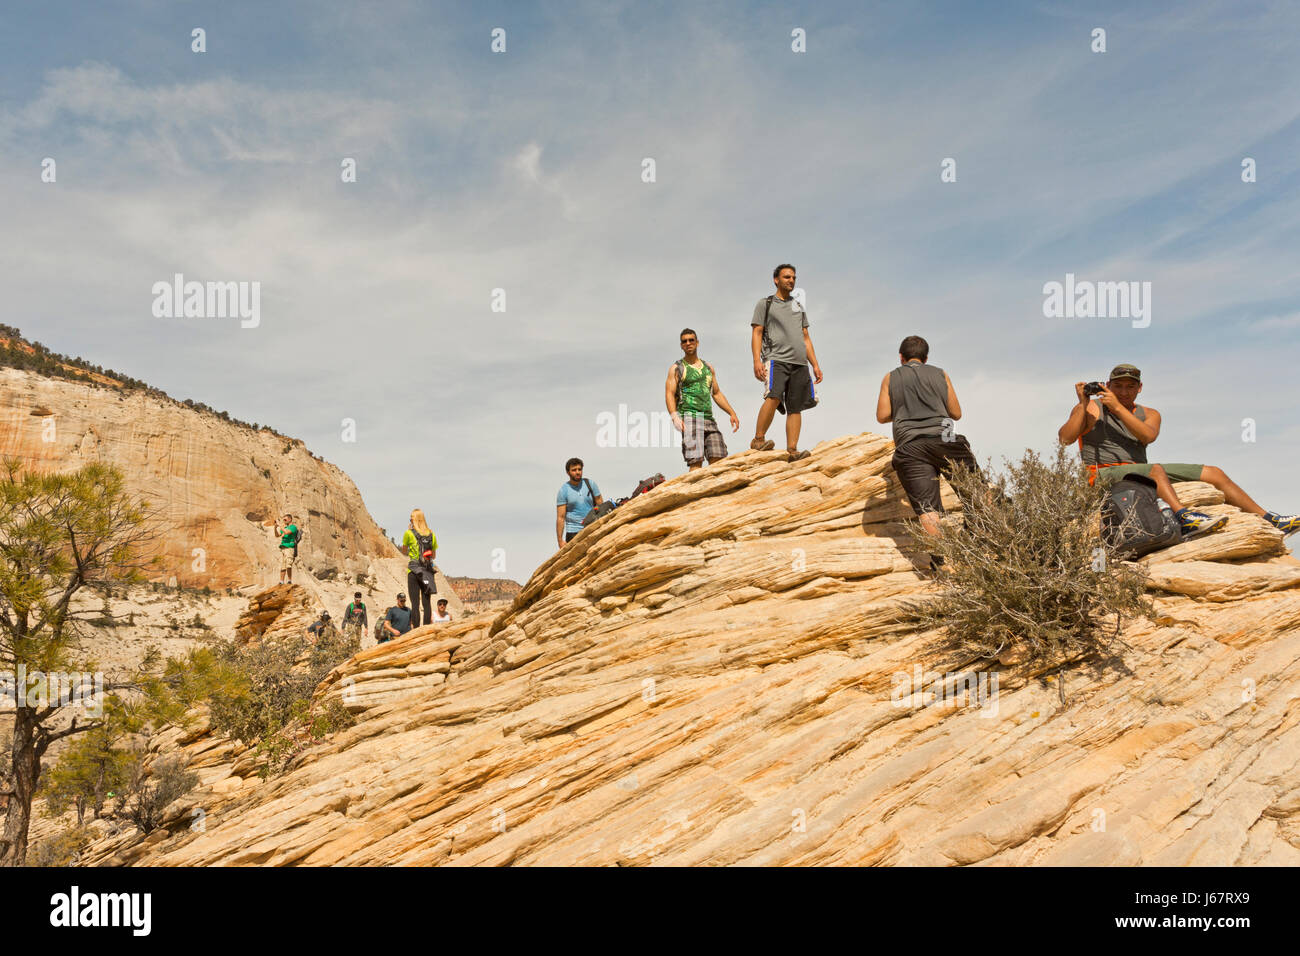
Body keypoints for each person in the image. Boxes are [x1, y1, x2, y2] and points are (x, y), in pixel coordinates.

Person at [1057, 364, 1299, 536]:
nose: (1123, 392)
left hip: (1138, 470)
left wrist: (1119, 409)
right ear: (1107, 385)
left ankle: (1270, 519)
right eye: (1118, 386)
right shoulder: (1091, 408)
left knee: (1214, 472)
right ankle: (1184, 518)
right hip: (1099, 474)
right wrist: (1083, 404)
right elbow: (1065, 439)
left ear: (1139, 388)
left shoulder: (1150, 413)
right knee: (1155, 471)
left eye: (1130, 386)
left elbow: (1148, 436)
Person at [876, 336, 982, 559]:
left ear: (901, 357)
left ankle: (942, 561)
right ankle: (977, 540)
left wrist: (905, 408)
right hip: (945, 438)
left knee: (927, 509)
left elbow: (883, 415)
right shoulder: (940, 373)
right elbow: (956, 413)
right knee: (975, 492)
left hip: (911, 444)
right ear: (926, 358)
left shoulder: (890, 377)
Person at [751, 264, 823, 462]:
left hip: (799, 362)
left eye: (793, 278)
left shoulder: (798, 306)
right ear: (776, 280)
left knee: (795, 406)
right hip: (776, 359)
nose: (791, 280)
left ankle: (793, 451)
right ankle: (758, 439)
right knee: (773, 396)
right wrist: (757, 360)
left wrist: (815, 365)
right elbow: (757, 333)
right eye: (786, 277)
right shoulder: (765, 304)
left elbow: (806, 337)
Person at [666, 328, 740, 471]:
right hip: (690, 418)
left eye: (691, 340)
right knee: (696, 462)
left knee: (718, 460)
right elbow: (669, 393)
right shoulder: (677, 368)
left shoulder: (708, 368)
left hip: (709, 419)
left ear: (697, 343)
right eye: (684, 341)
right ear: (681, 345)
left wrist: (732, 413)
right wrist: (674, 416)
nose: (688, 343)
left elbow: (716, 393)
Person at [401, 509, 437, 628]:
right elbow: (433, 555)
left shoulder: (409, 533)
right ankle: (427, 628)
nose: (410, 519)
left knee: (415, 604)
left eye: (411, 517)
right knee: (427, 603)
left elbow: (404, 552)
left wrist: (409, 531)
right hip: (427, 571)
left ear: (415, 519)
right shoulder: (432, 534)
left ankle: (416, 630)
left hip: (414, 570)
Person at [556, 458, 603, 546]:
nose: (577, 472)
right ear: (568, 472)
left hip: (592, 528)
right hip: (573, 533)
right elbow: (560, 517)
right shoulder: (563, 490)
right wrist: (560, 541)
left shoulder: (590, 484)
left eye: (579, 469)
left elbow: (601, 505)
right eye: (574, 470)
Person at [272, 513, 300, 584]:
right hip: (283, 548)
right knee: (283, 566)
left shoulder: (293, 527)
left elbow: (287, 532)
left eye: (285, 519)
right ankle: (281, 581)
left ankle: (289, 580)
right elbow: (277, 535)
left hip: (289, 547)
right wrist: (275, 527)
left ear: (290, 519)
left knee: (288, 564)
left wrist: (280, 526)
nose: (284, 521)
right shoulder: (284, 528)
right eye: (283, 519)